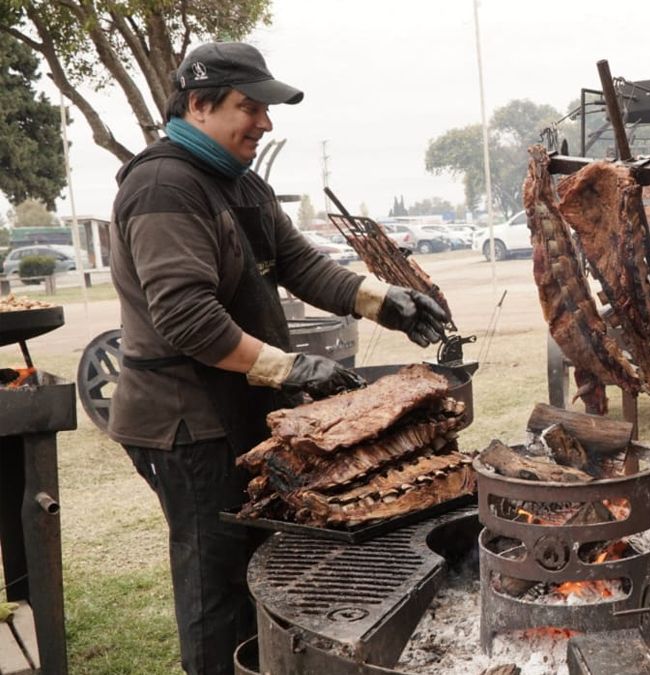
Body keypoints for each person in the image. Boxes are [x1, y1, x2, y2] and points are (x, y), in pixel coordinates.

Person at [106, 41, 447, 675]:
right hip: (186, 424)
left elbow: (300, 264)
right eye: (251, 107)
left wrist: (383, 301)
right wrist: (289, 368)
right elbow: (186, 317)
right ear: (200, 104)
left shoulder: (239, 182)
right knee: (216, 578)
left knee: (264, 567)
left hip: (237, 409)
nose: (265, 123)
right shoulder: (163, 187)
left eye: (266, 108)